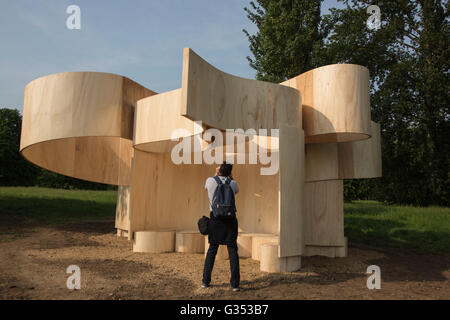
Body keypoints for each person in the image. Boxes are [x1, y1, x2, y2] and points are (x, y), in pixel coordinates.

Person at [202, 162, 240, 291]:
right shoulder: (233, 183)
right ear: (229, 172)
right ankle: (235, 285)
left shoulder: (210, 180)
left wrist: (216, 173)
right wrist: (230, 177)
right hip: (230, 220)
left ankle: (205, 282)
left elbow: (207, 188)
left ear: (219, 170)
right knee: (233, 251)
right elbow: (236, 191)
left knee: (212, 250)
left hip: (215, 219)